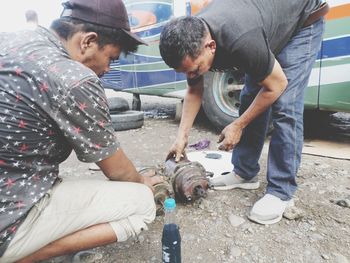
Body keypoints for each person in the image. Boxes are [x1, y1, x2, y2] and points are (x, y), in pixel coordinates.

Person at [0, 0, 163, 262]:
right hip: (8, 215)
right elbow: (118, 171)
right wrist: (142, 182)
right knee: (142, 204)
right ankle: (22, 255)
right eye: (110, 58)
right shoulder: (72, 77)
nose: (108, 69)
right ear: (87, 41)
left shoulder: (11, 40)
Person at [159, 0, 328, 225]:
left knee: (286, 104)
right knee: (249, 97)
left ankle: (281, 191)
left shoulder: (241, 39)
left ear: (211, 46)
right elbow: (194, 89)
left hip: (303, 20)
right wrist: (181, 138)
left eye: (196, 69)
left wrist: (238, 125)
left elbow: (276, 85)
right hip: (265, 25)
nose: (193, 75)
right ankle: (244, 172)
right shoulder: (196, 39)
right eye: (186, 72)